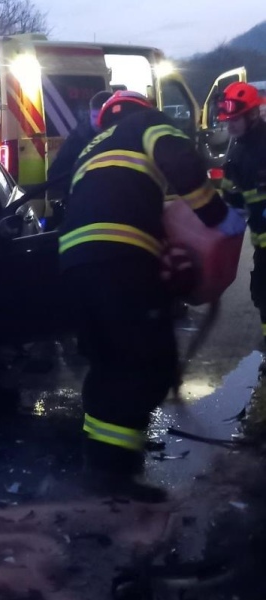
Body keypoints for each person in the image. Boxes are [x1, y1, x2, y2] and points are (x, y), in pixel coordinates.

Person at [59, 90, 234, 503]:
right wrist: (216, 216)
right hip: (120, 256)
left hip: (74, 264)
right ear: (142, 110)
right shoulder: (146, 124)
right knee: (148, 362)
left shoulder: (91, 149)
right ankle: (115, 474)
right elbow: (180, 158)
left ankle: (100, 466)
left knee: (108, 363)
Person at [217, 82, 266, 345]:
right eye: (228, 120)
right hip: (262, 243)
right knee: (262, 295)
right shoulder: (236, 153)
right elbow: (231, 197)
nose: (230, 125)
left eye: (235, 119)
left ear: (253, 114)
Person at [47, 90, 114, 200]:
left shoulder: (121, 135)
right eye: (94, 116)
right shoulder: (77, 139)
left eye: (101, 117)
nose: (97, 122)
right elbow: (55, 175)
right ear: (90, 113)